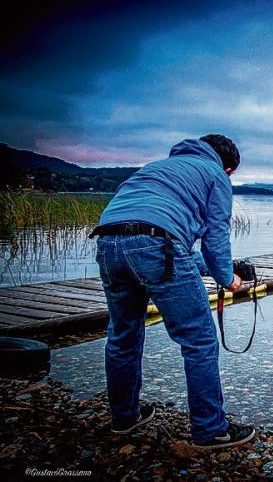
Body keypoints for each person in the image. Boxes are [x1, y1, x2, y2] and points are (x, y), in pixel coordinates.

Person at [91, 134, 255, 449]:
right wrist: (227, 279)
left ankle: (124, 416)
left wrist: (217, 267)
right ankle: (210, 430)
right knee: (199, 338)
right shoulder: (216, 174)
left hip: (108, 242)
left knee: (123, 334)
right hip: (157, 244)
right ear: (229, 167)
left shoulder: (157, 168)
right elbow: (214, 236)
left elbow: (157, 240)